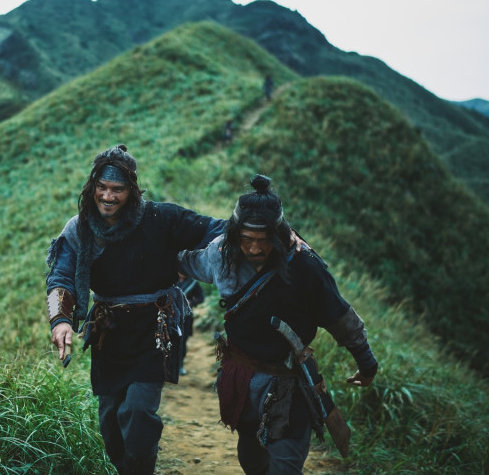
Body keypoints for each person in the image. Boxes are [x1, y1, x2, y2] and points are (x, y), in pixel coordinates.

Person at [177, 174, 378, 474]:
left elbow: (338, 315)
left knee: (284, 464)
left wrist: (366, 361)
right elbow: (186, 262)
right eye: (246, 240)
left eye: (264, 240)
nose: (255, 249)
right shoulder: (222, 254)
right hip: (241, 374)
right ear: (235, 234)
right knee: (250, 453)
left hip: (289, 380)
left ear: (279, 234)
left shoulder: (305, 267)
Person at [45, 144, 226, 475]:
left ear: (132, 190)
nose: (108, 196)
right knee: (111, 422)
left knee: (139, 411)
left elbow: (216, 228)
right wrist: (60, 321)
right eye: (102, 187)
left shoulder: (161, 218)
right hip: (108, 333)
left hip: (153, 328)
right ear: (91, 187)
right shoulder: (80, 229)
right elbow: (61, 276)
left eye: (118, 189)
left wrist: (277, 233)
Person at [176, 273, 205, 375]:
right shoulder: (171, 281)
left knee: (182, 342)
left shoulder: (193, 283)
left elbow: (201, 298)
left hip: (186, 317)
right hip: (170, 316)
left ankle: (180, 366)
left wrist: (191, 302)